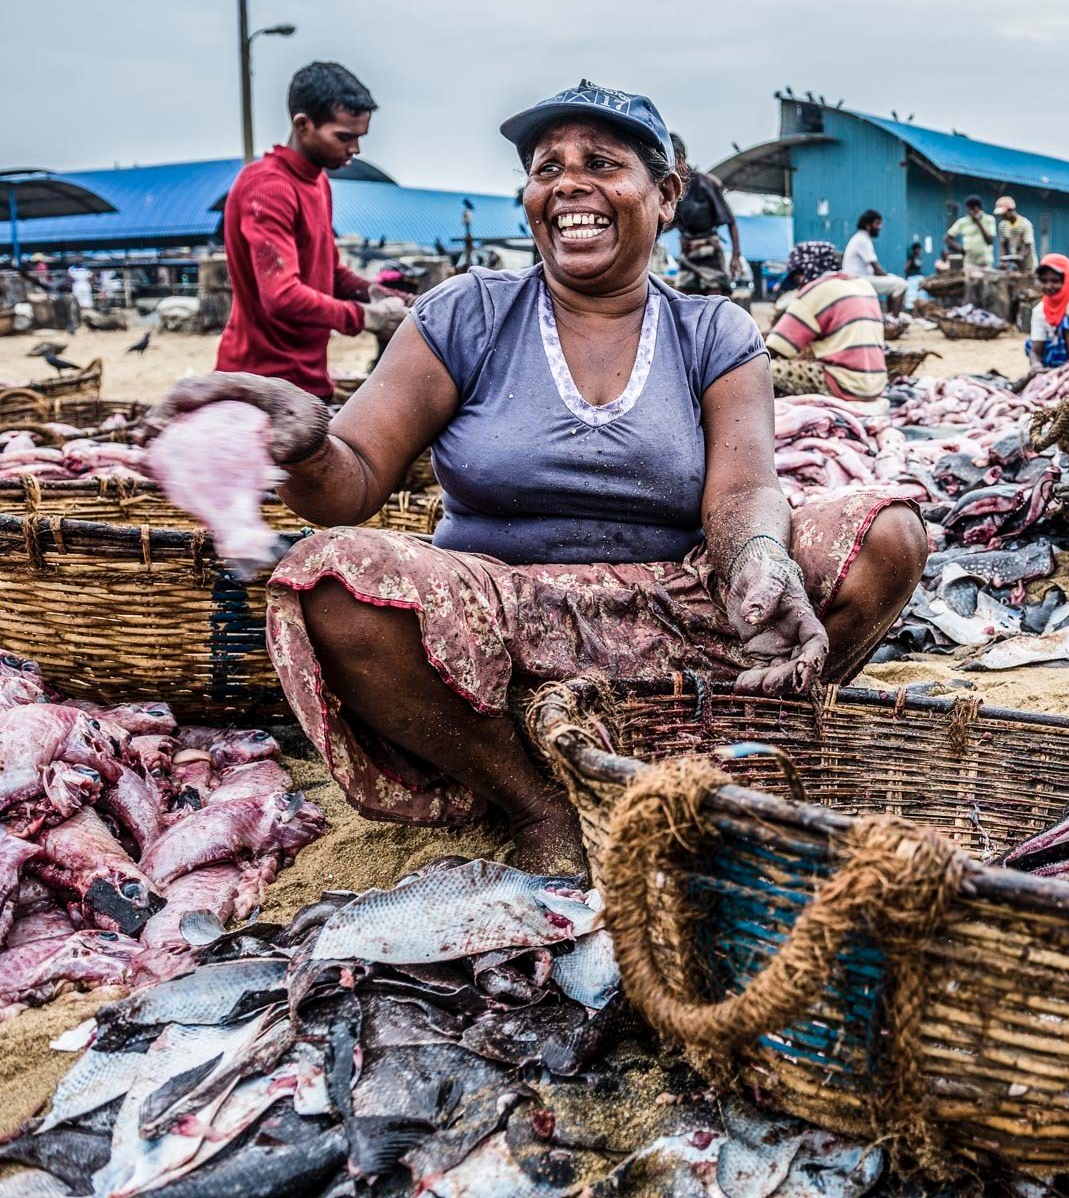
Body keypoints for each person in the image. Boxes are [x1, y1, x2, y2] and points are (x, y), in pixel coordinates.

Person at [149, 80, 927, 873]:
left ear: (664, 194)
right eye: (545, 168)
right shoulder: (464, 314)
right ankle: (534, 802)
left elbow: (742, 487)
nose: (568, 186)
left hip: (677, 606)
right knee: (331, 579)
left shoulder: (712, 329)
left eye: (600, 162)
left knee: (888, 533)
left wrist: (758, 555)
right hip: (496, 607)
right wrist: (307, 446)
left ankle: (735, 743)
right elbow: (348, 487)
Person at [215, 62, 409, 398]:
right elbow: (282, 296)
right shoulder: (268, 188)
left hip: (306, 382)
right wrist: (366, 317)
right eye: (344, 137)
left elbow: (328, 272)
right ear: (303, 125)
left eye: (359, 138)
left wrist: (386, 297)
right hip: (260, 387)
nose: (355, 150)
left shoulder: (318, 181)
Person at [765, 241, 888, 402]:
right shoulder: (863, 285)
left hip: (845, 384)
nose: (798, 284)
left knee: (760, 369)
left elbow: (774, 349)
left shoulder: (815, 290)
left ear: (805, 270)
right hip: (877, 383)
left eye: (797, 278)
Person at [669, 132, 745, 297]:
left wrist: (735, 256)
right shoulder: (671, 188)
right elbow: (670, 222)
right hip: (687, 252)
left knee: (715, 296)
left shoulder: (707, 184)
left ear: (681, 158)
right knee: (684, 299)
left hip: (709, 251)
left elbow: (731, 222)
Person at [842, 210, 906, 309]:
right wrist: (888, 276)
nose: (880, 227)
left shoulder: (861, 237)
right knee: (900, 284)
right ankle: (894, 319)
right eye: (877, 224)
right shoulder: (863, 239)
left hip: (858, 278)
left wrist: (889, 276)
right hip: (858, 279)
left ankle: (890, 317)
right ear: (868, 225)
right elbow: (877, 269)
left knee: (893, 280)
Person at [944, 196, 996, 269]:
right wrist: (961, 250)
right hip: (969, 263)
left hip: (985, 262)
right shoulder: (963, 222)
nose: (972, 212)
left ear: (979, 208)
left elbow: (990, 241)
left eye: (974, 209)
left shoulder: (989, 219)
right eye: (969, 209)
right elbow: (947, 238)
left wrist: (978, 223)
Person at [995, 196, 1037, 273]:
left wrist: (1018, 257)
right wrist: (1003, 261)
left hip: (1028, 264)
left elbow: (1028, 245)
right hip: (1015, 265)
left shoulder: (1025, 224)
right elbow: (1003, 244)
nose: (1002, 216)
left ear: (1011, 210)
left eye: (1004, 214)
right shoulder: (1003, 225)